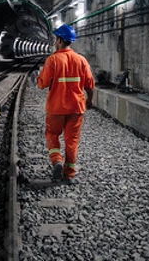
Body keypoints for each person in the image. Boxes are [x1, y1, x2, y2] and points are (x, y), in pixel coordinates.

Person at [36, 24, 95, 184]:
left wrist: (38, 78)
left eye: (56, 39)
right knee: (72, 141)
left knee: (52, 135)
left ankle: (57, 160)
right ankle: (69, 174)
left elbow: (42, 84)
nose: (55, 41)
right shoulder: (81, 60)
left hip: (56, 108)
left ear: (60, 40)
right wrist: (89, 100)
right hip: (76, 108)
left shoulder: (53, 60)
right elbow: (90, 84)